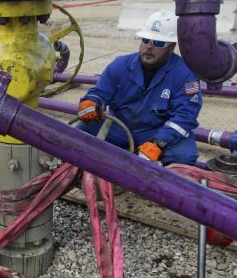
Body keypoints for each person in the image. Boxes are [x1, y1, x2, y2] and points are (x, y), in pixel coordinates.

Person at [76, 10, 202, 166]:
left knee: (184, 156)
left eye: (158, 43)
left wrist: (158, 143)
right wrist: (91, 101)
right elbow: (100, 92)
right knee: (78, 135)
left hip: (156, 131)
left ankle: (154, 179)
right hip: (119, 128)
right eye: (146, 40)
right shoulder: (120, 65)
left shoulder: (184, 75)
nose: (149, 47)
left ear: (171, 47)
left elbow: (184, 117)